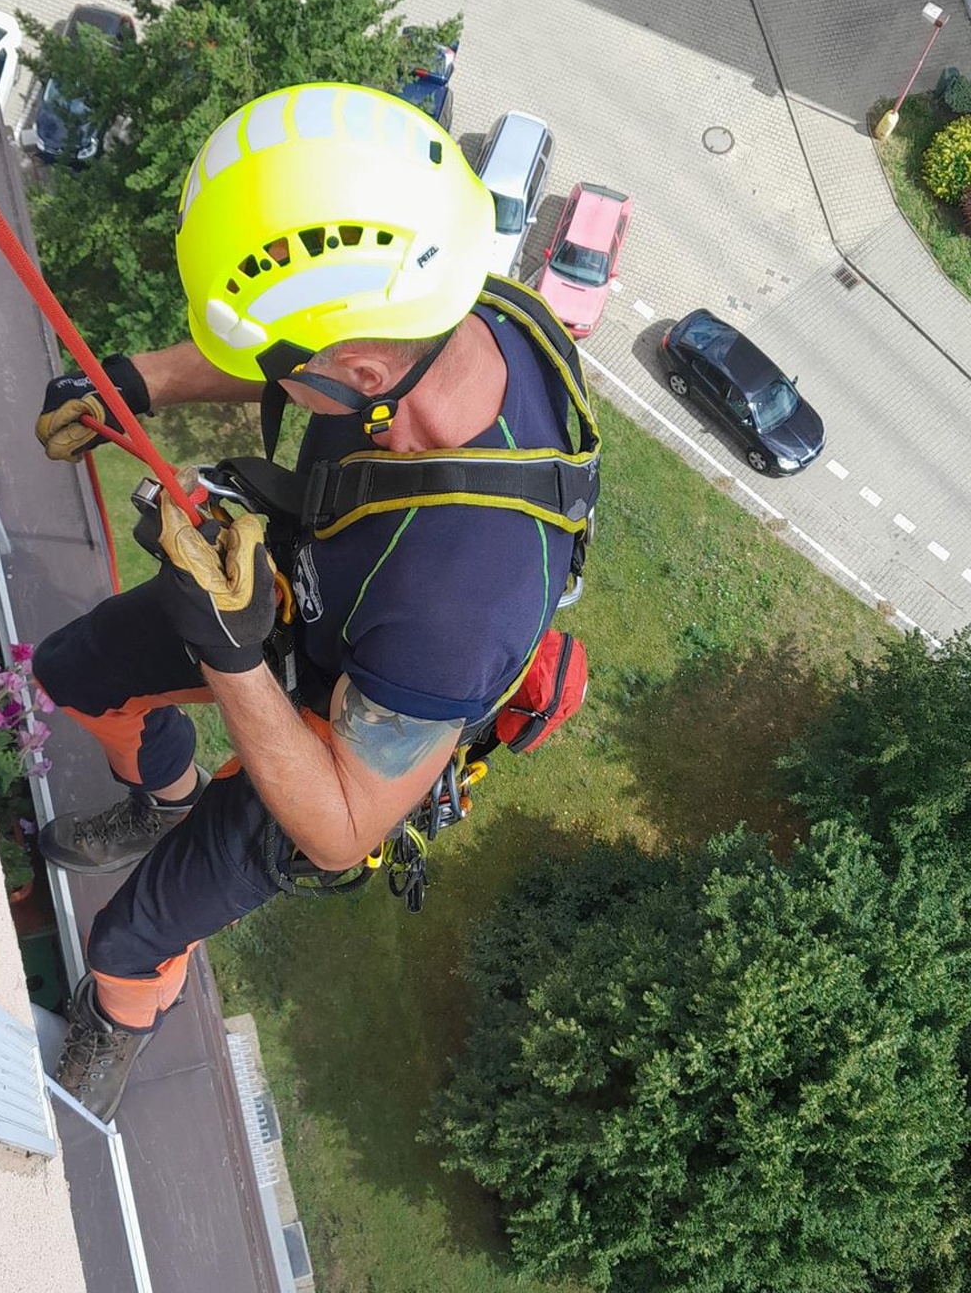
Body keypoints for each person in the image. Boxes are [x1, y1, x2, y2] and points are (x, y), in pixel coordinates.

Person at [32, 84, 598, 1120]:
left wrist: (231, 655)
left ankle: (114, 1025)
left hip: (341, 744)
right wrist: (136, 384)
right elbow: (290, 348)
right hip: (284, 597)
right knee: (72, 675)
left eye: (283, 367)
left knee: (131, 937)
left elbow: (340, 823)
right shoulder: (439, 311)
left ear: (364, 369)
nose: (266, 379)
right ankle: (158, 791)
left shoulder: (462, 599)